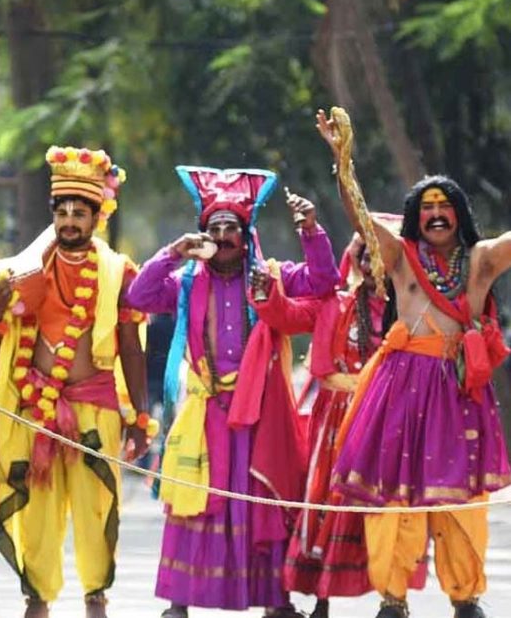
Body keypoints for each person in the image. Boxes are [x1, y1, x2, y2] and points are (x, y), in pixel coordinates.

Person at [317, 108, 511, 618]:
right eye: (427, 208)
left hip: (458, 390)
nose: (437, 215)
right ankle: (392, 597)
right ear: (414, 216)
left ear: (460, 213)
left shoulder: (481, 261)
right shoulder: (400, 257)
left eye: (445, 206)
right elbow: (360, 216)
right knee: (392, 499)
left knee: (460, 499)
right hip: (401, 387)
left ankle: (465, 597)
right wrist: (342, 161)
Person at [126, 166, 339, 618]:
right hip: (206, 413)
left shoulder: (271, 277)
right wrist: (173, 252)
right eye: (214, 229)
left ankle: (276, 603)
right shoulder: (185, 283)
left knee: (264, 501)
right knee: (196, 500)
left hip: (260, 413)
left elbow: (325, 283)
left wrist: (311, 231)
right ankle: (178, 604)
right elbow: (139, 297)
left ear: (246, 236)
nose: (222, 236)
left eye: (231, 228)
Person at [0, 146, 150, 618]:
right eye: (63, 212)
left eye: (79, 213)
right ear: (53, 215)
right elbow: (0, 332)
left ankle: (96, 595)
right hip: (37, 407)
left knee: (98, 507)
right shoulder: (24, 271)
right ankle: (38, 597)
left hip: (95, 405)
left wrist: (141, 418)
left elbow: (131, 347)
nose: (70, 221)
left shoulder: (118, 272)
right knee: (38, 510)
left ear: (97, 217)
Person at [251, 228, 425, 618]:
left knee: (389, 506)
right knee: (327, 503)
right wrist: (267, 292)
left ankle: (393, 599)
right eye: (364, 253)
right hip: (337, 418)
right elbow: (288, 316)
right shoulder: (336, 303)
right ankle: (322, 600)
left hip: (388, 417)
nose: (371, 262)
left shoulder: (412, 309)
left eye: (380, 254)